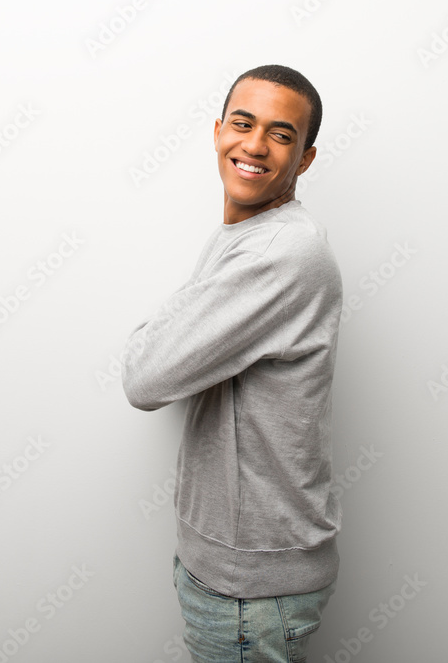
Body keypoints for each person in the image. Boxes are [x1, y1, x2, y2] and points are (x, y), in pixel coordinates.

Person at [121, 64, 343, 662]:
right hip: (237, 570)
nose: (255, 145)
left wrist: (164, 329)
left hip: (251, 587)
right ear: (218, 131)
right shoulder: (249, 236)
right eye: (243, 124)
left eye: (281, 134)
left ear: (305, 159)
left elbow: (145, 376)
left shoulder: (279, 253)